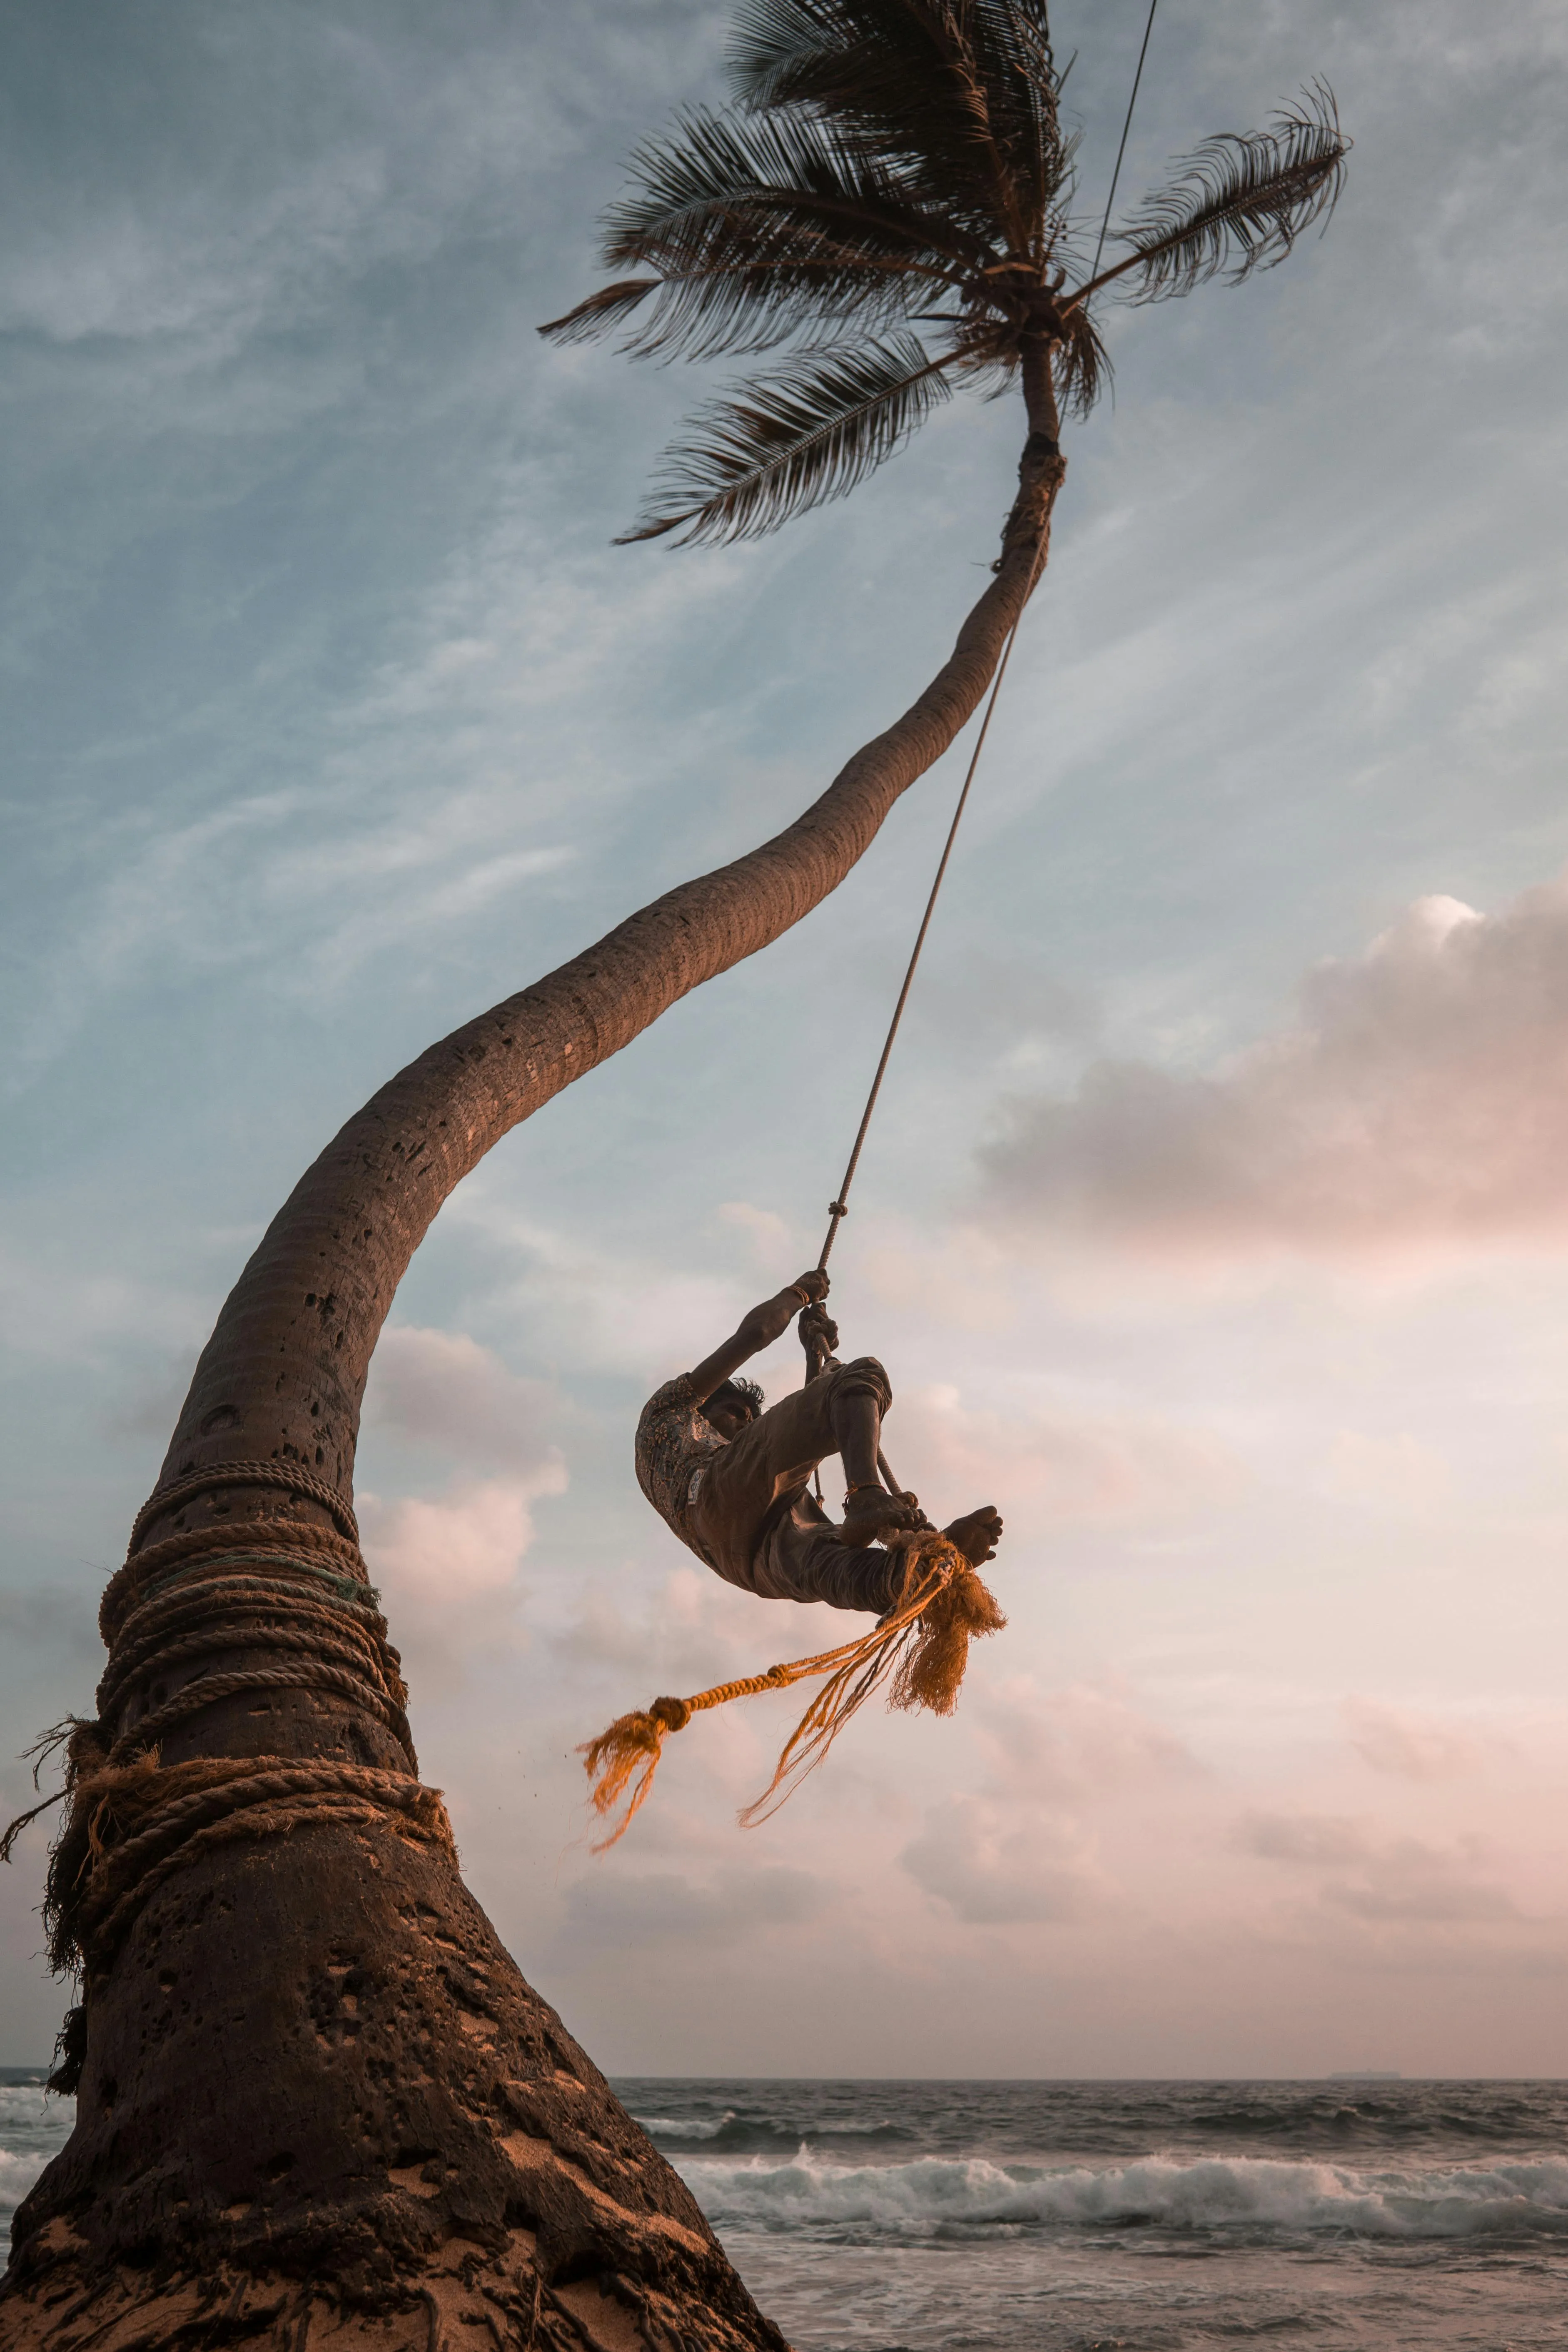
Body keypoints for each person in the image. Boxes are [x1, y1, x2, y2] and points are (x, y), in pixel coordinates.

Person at [635, 1269, 1002, 1617]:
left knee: (835, 1566)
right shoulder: (672, 1409)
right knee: (859, 1376)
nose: (746, 1425)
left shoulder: (720, 1461)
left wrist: (814, 1355)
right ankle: (865, 1494)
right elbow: (756, 1333)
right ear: (705, 1407)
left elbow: (789, 1455)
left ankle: (921, 1575)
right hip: (715, 1500)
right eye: (736, 1413)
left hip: (745, 1561)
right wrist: (797, 1293)